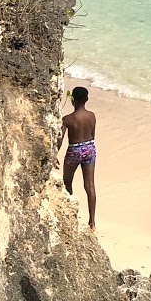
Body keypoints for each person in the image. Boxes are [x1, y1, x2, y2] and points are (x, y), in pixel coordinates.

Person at [59, 86, 98, 230]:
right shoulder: (92, 116)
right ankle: (92, 222)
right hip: (89, 148)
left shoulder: (67, 119)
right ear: (86, 99)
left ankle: (71, 214)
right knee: (90, 185)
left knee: (67, 182)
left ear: (72, 100)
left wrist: (54, 155)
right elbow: (93, 135)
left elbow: (60, 140)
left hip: (74, 149)